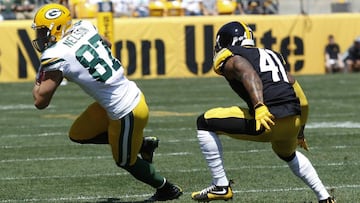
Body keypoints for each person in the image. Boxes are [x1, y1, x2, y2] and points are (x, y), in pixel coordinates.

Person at [31, 3, 182, 202]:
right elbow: (108, 43)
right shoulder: (84, 26)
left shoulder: (56, 55)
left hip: (126, 110)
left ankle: (167, 189)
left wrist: (42, 69)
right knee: (78, 134)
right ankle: (142, 144)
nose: (41, 37)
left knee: (125, 161)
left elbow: (40, 101)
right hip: (113, 101)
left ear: (57, 29)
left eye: (43, 32)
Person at [190, 21, 335, 203]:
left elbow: (247, 73)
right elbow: (301, 98)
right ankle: (325, 197)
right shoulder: (273, 55)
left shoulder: (233, 56)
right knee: (287, 154)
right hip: (293, 120)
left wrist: (259, 106)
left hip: (267, 119)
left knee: (204, 122)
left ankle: (221, 186)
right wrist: (300, 130)